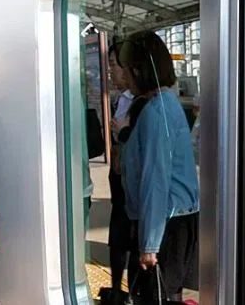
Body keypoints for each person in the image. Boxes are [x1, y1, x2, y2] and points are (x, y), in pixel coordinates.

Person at [118, 31, 199, 302]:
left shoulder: (155, 113)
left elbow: (156, 179)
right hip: (175, 220)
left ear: (139, 70)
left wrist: (150, 244)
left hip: (166, 223)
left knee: (155, 296)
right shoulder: (167, 104)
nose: (123, 75)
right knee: (168, 294)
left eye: (126, 68)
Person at [100, 44, 136, 305]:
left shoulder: (146, 102)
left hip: (133, 179)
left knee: (133, 236)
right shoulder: (120, 99)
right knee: (118, 235)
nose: (111, 70)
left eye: (114, 64)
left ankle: (132, 291)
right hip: (118, 177)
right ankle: (116, 288)